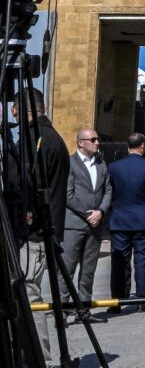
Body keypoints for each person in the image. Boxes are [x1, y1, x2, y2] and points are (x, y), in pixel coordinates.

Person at [13, 89, 70, 365]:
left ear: (19, 110)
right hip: (43, 232)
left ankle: (39, 358)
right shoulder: (54, 139)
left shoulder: (34, 141)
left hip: (30, 235)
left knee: (29, 297)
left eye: (14, 109)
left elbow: (20, 187)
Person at [59, 127, 113, 323]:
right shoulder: (70, 164)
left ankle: (84, 311)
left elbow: (108, 190)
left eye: (97, 139)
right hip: (74, 225)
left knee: (88, 271)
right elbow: (67, 194)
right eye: (92, 139)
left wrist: (101, 211)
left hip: (95, 226)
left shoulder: (101, 164)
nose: (97, 142)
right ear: (80, 143)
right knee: (67, 269)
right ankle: (63, 312)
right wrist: (87, 214)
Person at [107, 132, 145, 313]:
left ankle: (117, 300)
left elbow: (110, 193)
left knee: (119, 261)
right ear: (143, 146)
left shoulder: (114, 167)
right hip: (142, 221)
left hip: (119, 220)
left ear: (127, 146)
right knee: (142, 260)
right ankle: (144, 298)